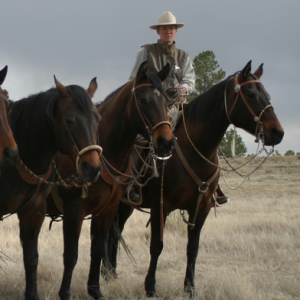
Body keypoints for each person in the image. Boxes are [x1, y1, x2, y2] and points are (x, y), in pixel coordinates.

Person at [127, 11, 228, 207]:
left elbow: (190, 78)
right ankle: (133, 183)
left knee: (206, 134)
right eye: (164, 28)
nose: (168, 31)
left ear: (176, 31)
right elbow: (133, 79)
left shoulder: (183, 56)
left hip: (178, 106)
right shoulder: (146, 52)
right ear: (158, 31)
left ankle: (213, 186)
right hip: (153, 108)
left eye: (172, 28)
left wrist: (185, 87)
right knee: (140, 140)